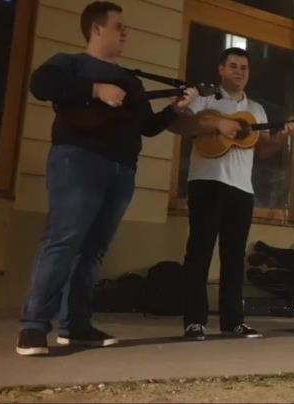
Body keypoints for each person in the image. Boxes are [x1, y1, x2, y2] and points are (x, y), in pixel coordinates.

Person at [16, 1, 197, 356]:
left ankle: (76, 326)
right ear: (96, 29)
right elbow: (41, 84)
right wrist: (95, 90)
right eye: (119, 26)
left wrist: (175, 109)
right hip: (78, 159)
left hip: (122, 168)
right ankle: (33, 326)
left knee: (93, 250)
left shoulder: (131, 80)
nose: (126, 32)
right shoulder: (70, 63)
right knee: (63, 240)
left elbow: (146, 127)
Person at [170, 47, 294, 341]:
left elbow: (263, 149)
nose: (239, 71)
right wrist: (217, 123)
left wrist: (281, 138)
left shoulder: (256, 110)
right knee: (200, 252)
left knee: (234, 256)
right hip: (206, 182)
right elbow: (180, 125)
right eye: (233, 66)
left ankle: (233, 321)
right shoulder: (204, 99)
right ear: (221, 69)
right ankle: (195, 321)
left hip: (241, 189)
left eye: (244, 67)